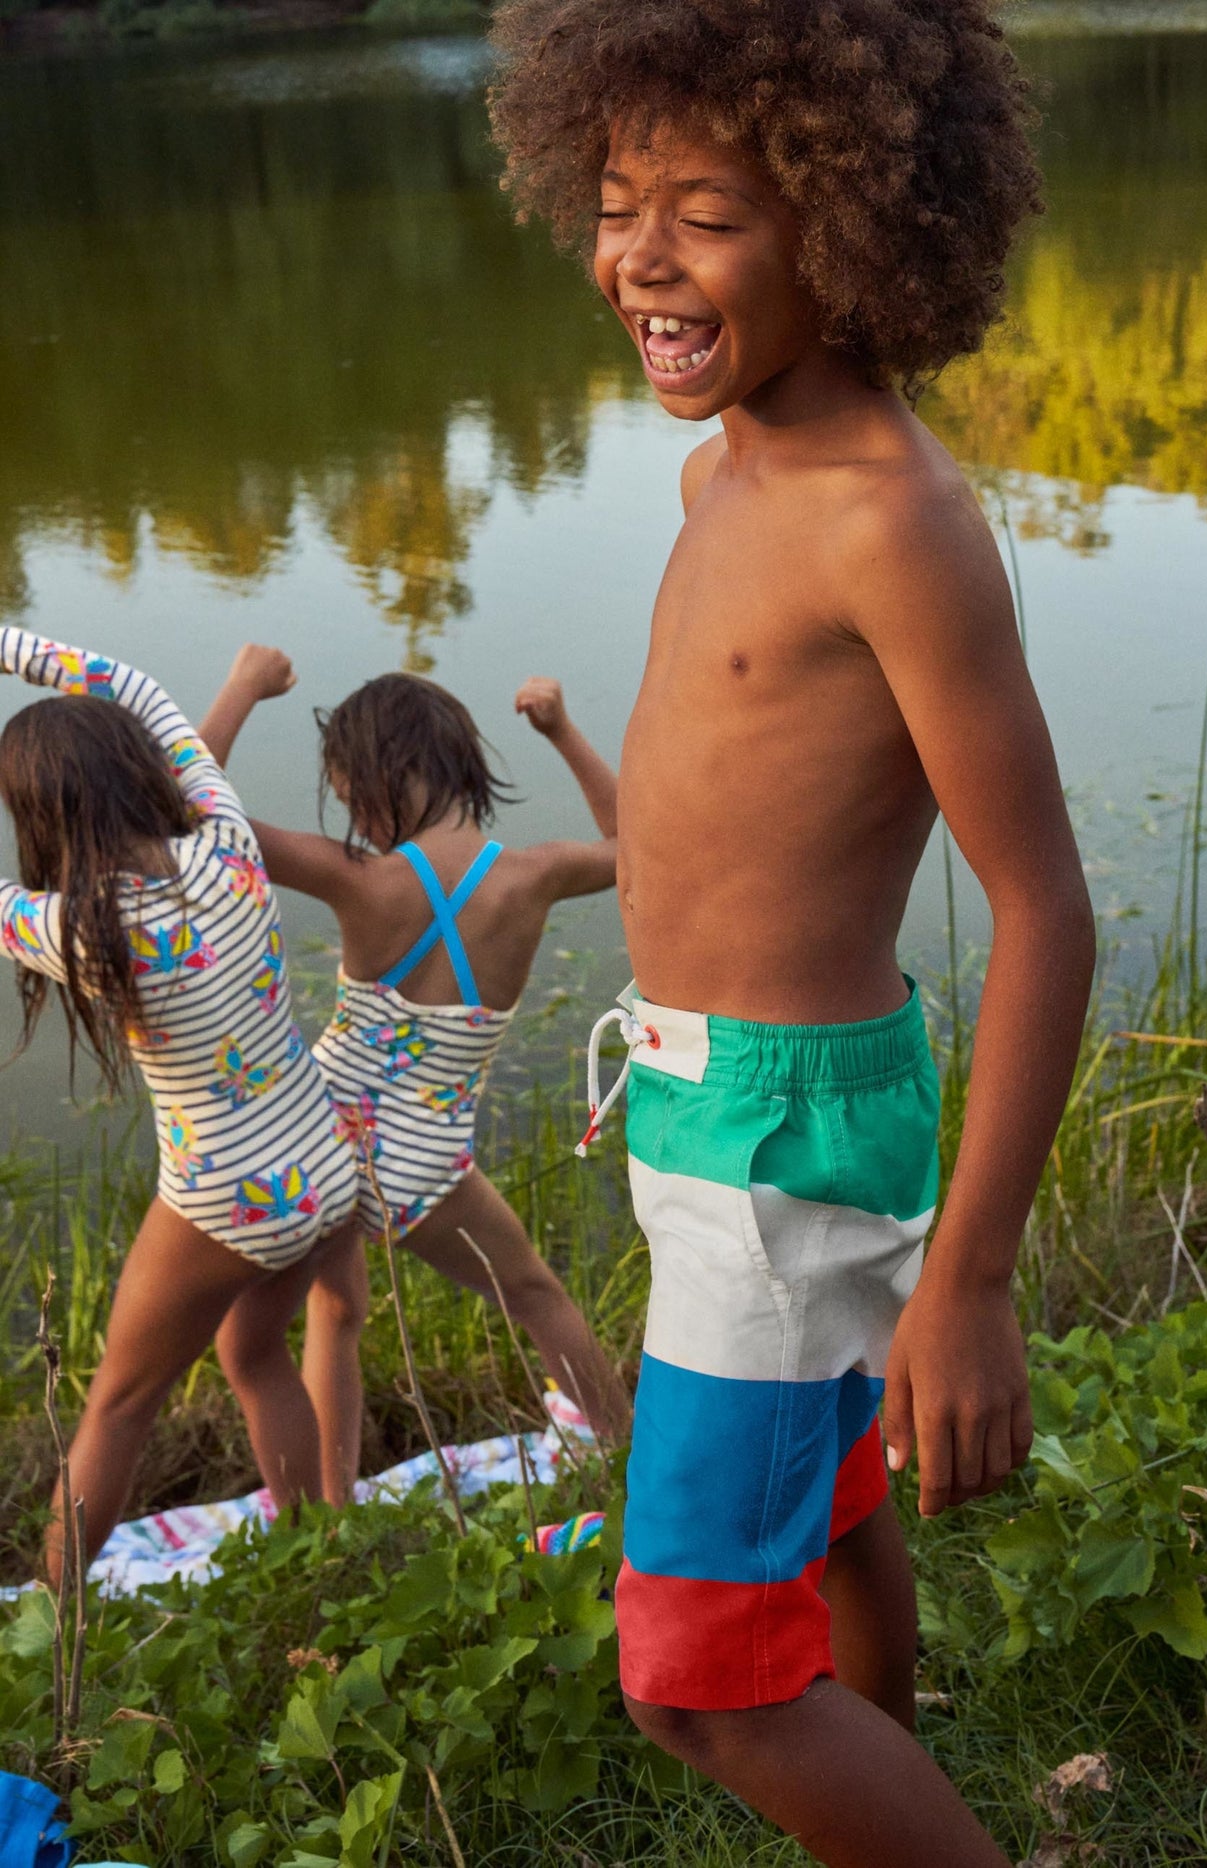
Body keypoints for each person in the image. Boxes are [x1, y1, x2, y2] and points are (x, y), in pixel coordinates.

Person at [489, 4, 1096, 1865]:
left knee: (699, 1674)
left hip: (778, 1146)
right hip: (719, 1105)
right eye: (612, 201)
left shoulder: (890, 519)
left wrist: (971, 1279)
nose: (638, 260)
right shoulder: (720, 467)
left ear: (851, 225)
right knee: (829, 1515)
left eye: (707, 215)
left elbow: (1045, 904)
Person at [203, 654, 632, 1504]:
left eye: (348, 786)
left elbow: (190, 816)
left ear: (380, 775)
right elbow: (639, 848)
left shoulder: (356, 877)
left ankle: (329, 1515)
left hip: (314, 1134)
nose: (353, 811)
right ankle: (630, 1470)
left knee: (335, 1313)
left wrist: (242, 689)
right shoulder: (531, 876)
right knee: (537, 1297)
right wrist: (560, 730)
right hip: (423, 1162)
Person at [0, 631, 357, 1586]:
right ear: (137, 769)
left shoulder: (79, 930)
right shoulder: (227, 844)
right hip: (321, 1164)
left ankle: (55, 1624)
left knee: (119, 1401)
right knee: (254, 1353)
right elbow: (137, 686)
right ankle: (329, 1569)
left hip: (227, 1198)